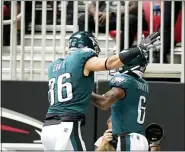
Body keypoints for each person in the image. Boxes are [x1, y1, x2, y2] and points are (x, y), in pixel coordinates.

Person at [41, 31, 158, 151]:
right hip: (66, 126)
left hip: (48, 127)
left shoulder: (54, 66)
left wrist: (84, 91)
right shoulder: (82, 57)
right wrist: (138, 49)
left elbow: (73, 89)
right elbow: (110, 63)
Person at [91, 45, 151, 150]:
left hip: (127, 140)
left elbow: (103, 103)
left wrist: (84, 92)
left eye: (122, 61)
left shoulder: (125, 81)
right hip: (141, 140)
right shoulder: (143, 84)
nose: (119, 64)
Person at [78, 1, 148, 50]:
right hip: (109, 20)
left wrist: (112, 14)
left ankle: (122, 55)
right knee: (83, 19)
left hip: (129, 19)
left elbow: (135, 6)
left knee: (129, 19)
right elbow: (91, 6)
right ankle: (87, 51)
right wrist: (96, 14)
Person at [94, 117, 161, 151]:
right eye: (110, 131)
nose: (113, 134)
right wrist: (102, 145)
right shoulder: (102, 140)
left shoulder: (134, 140)